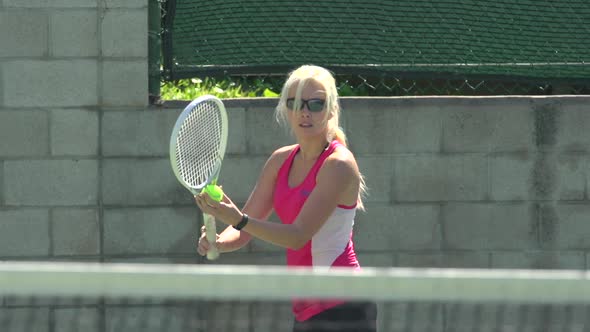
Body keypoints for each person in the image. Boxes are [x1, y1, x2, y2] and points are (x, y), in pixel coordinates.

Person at [195, 65, 377, 332]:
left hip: (344, 305)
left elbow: (297, 235)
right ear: (286, 110)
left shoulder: (339, 164)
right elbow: (243, 231)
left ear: (331, 109)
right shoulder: (280, 160)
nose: (305, 111)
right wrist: (219, 241)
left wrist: (237, 219)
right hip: (305, 309)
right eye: (295, 103)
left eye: (316, 103)